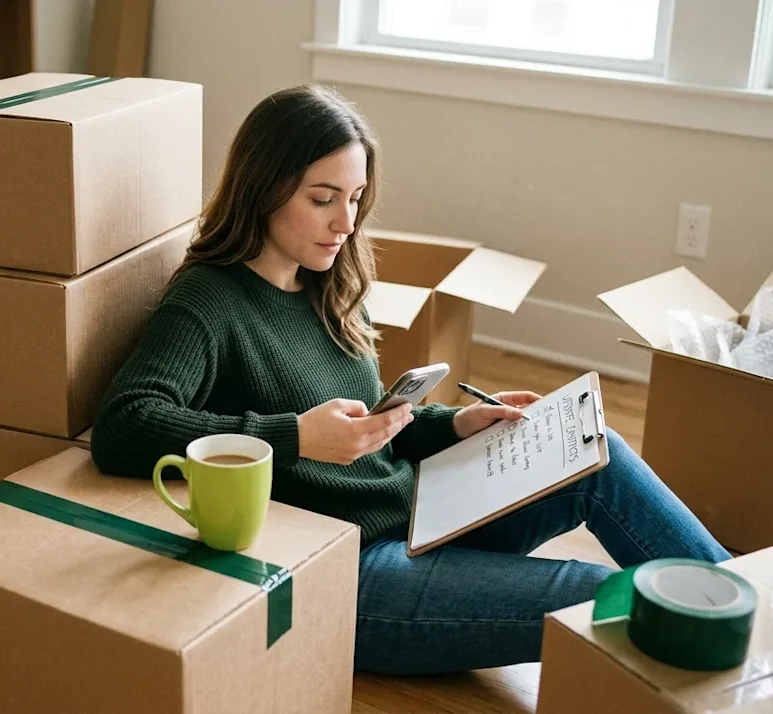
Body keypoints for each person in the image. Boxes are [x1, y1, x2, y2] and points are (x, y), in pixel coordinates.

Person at [90, 84, 731, 675]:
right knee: (607, 598)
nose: (345, 223)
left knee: (599, 452)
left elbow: (369, 420)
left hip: (419, 510)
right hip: (352, 569)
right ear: (263, 188)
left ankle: (758, 612)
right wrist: (294, 439)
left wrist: (454, 423)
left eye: (355, 199)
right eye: (322, 199)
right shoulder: (207, 302)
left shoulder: (329, 284)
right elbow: (123, 425)